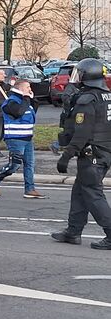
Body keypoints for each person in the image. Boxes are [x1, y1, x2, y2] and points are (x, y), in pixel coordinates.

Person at [51, 58, 111, 250]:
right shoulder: (106, 96)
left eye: (80, 74)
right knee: (80, 191)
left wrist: (66, 155)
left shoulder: (87, 100)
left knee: (93, 194)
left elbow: (82, 133)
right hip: (103, 152)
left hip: (92, 154)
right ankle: (73, 231)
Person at [0, 79, 45, 199]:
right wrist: (25, 98)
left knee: (29, 164)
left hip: (27, 138)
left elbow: (32, 110)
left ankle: (29, 189)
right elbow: (18, 112)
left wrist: (31, 98)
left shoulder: (25, 101)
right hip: (15, 139)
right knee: (14, 165)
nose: (30, 89)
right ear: (20, 89)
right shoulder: (10, 102)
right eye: (27, 87)